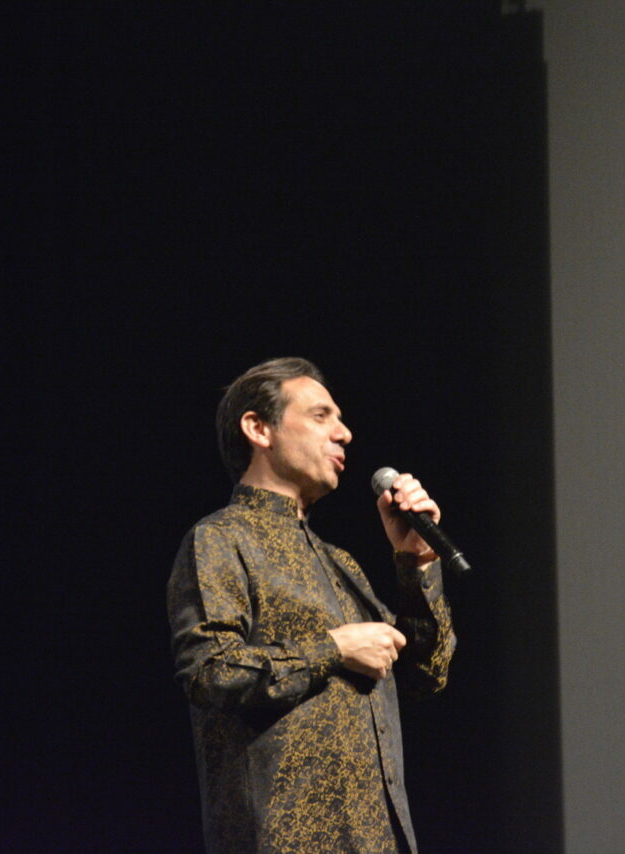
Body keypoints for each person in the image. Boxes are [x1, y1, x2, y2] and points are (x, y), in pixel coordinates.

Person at [167, 357, 456, 854]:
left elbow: (425, 674)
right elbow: (209, 673)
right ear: (258, 428)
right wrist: (333, 649)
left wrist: (416, 561)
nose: (344, 434)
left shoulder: (340, 563)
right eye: (321, 416)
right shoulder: (220, 539)